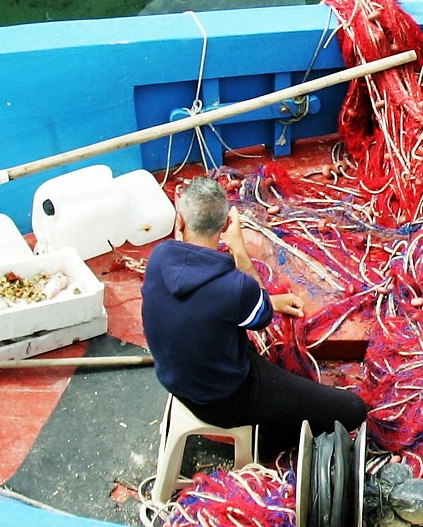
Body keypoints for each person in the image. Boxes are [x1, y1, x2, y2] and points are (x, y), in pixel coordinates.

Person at [142, 176, 367, 454]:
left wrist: (269, 300)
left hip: (178, 382)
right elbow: (261, 317)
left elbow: (208, 302)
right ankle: (266, 443)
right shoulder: (236, 287)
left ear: (181, 220)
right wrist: (240, 250)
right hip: (224, 401)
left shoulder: (159, 258)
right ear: (226, 225)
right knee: (354, 410)